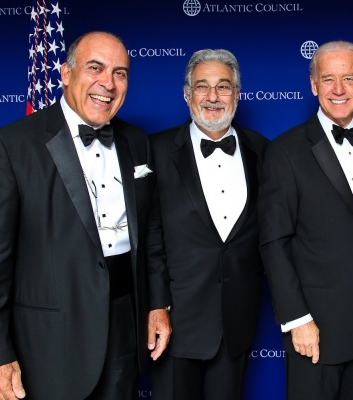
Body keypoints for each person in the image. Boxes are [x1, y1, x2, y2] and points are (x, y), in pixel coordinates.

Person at [0, 31, 170, 400]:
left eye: (120, 73)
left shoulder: (136, 141)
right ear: (65, 73)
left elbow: (150, 233)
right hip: (48, 340)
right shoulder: (11, 145)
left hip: (125, 327)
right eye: (96, 68)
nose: (107, 83)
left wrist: (156, 304)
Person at [258, 40, 353, 399]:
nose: (339, 89)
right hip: (314, 330)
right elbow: (274, 242)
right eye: (329, 79)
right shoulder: (285, 151)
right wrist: (297, 319)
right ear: (313, 85)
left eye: (348, 78)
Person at [148, 49, 268, 400]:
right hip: (173, 322)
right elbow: (149, 236)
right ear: (187, 94)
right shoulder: (153, 151)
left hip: (236, 323)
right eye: (202, 87)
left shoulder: (264, 151)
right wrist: (156, 306)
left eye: (223, 87)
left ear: (237, 94)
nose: (213, 97)